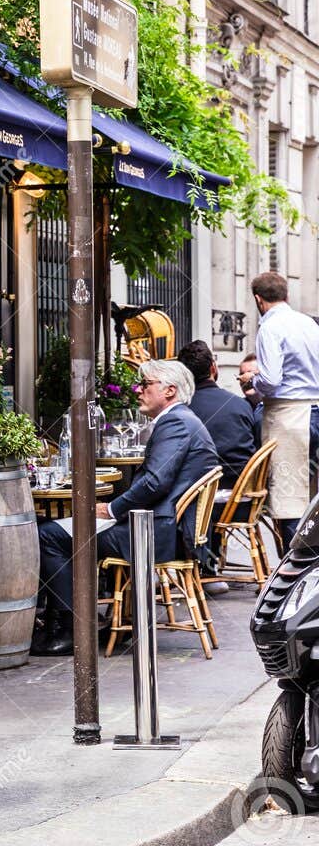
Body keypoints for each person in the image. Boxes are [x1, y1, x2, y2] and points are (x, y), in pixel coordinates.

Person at [32, 359, 217, 656]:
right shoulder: (182, 419)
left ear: (169, 391)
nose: (138, 390)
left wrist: (113, 509)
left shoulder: (176, 422)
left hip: (156, 532)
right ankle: (70, 622)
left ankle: (69, 630)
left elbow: (155, 482)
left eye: (146, 385)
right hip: (162, 526)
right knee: (55, 530)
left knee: (48, 535)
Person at [250, 271, 319, 545]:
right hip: (316, 411)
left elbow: (270, 380)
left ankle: (297, 575)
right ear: (286, 295)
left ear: (258, 299)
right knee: (314, 498)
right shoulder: (310, 324)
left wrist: (252, 379)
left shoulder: (270, 327)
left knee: (289, 499)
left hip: (290, 417)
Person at [178, 340, 255, 487]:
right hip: (242, 491)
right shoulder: (242, 405)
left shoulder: (180, 409)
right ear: (213, 368)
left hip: (197, 494)